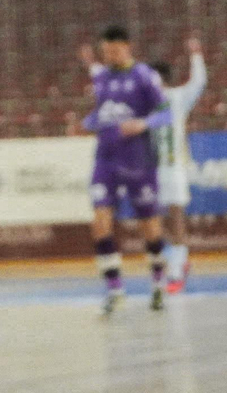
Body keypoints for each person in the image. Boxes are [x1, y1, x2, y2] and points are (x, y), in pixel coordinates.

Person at [83, 25, 172, 314]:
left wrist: (144, 124)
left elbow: (167, 113)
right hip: (106, 158)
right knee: (100, 221)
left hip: (138, 160)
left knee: (150, 225)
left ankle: (158, 284)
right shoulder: (101, 78)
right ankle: (114, 289)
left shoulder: (144, 76)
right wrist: (89, 122)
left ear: (127, 47)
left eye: (114, 51)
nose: (109, 56)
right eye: (105, 52)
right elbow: (102, 112)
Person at [150, 39, 206, 293]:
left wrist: (196, 55)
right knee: (152, 221)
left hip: (173, 169)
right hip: (151, 169)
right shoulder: (143, 104)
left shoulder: (177, 98)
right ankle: (176, 260)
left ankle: (176, 269)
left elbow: (199, 83)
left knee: (176, 217)